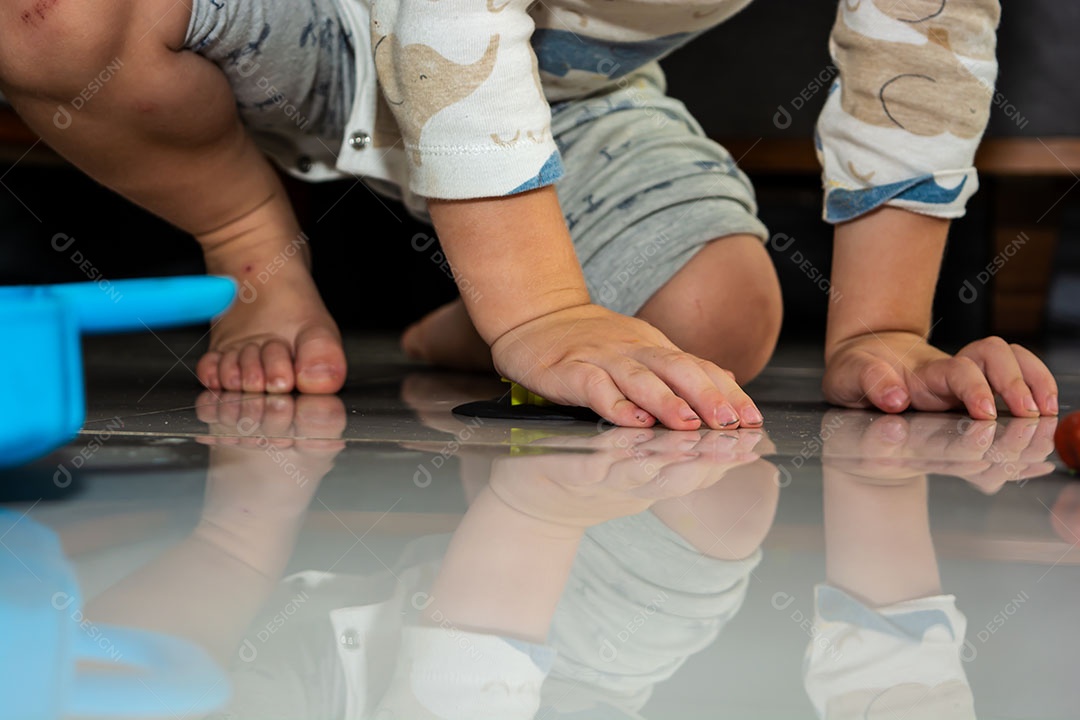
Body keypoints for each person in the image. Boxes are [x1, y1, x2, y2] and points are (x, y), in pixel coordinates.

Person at [0, 0, 1057, 430]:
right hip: (316, 23)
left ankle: (470, 321)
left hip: (567, 91)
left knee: (716, 320)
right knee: (45, 17)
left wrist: (879, 332)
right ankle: (257, 262)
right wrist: (545, 307)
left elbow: (922, 44)